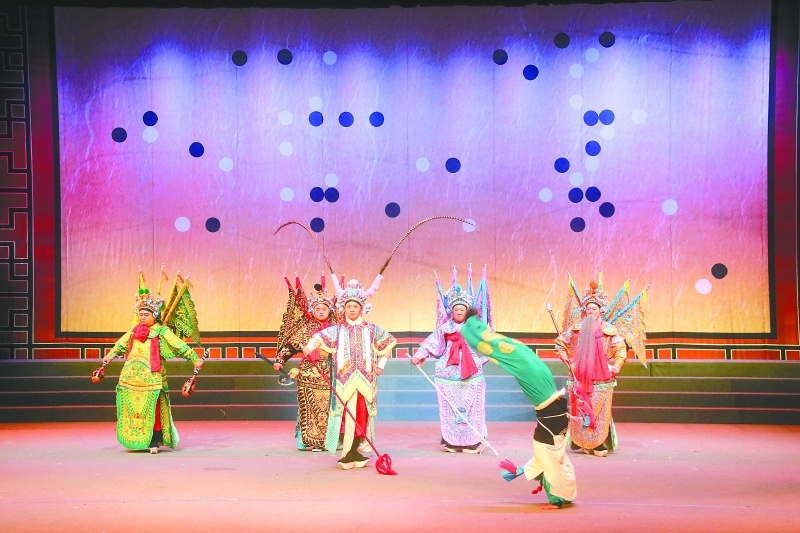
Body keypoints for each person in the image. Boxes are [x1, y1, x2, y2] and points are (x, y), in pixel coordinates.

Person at [461, 308, 576, 510]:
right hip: (546, 402)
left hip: (550, 398)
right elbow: (544, 465)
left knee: (519, 355)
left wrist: (518, 471)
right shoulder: (551, 458)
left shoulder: (555, 459)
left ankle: (473, 327)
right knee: (514, 356)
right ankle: (472, 328)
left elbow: (542, 464)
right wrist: (519, 472)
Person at [98, 279, 203, 454]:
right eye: (140, 314)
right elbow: (120, 345)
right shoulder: (134, 331)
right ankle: (138, 439)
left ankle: (154, 440)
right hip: (131, 378)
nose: (142, 317)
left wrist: (194, 358)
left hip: (153, 378)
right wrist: (107, 359)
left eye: (146, 314)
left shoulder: (161, 331)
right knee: (134, 408)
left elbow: (178, 344)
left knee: (153, 408)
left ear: (155, 315)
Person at [303, 275, 396, 469]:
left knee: (362, 415)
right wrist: (309, 347)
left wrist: (381, 365)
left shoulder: (372, 330)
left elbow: (388, 344)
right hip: (344, 382)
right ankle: (347, 452)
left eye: (355, 306)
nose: (352, 309)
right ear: (343, 309)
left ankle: (355, 449)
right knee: (345, 416)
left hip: (365, 381)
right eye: (349, 306)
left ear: (361, 308)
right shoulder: (338, 330)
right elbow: (319, 337)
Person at [411, 266, 491, 453]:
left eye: (462, 309)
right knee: (451, 406)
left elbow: (488, 342)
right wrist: (419, 355)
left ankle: (473, 441)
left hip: (471, 370)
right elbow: (432, 342)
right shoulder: (445, 328)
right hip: (448, 370)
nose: (459, 312)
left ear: (467, 311)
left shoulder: (475, 328)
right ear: (452, 311)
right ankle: (453, 441)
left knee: (472, 405)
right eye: (456, 309)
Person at [554, 280, 627, 457]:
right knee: (581, 409)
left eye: (594, 308)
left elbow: (620, 349)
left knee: (599, 411)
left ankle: (599, 443)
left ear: (601, 311)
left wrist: (616, 366)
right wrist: (567, 360)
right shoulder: (576, 329)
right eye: (588, 309)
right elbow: (559, 344)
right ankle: (583, 442)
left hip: (602, 377)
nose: (591, 311)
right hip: (579, 375)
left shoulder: (609, 330)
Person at [274, 276, 337, 451]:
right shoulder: (306, 329)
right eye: (318, 309)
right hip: (309, 372)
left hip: (330, 372)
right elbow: (291, 346)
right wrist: (280, 360)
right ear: (312, 310)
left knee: (328, 407)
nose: (321, 311)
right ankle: (306, 439)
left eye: (324, 308)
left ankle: (326, 440)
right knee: (308, 405)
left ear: (330, 310)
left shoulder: (336, 329)